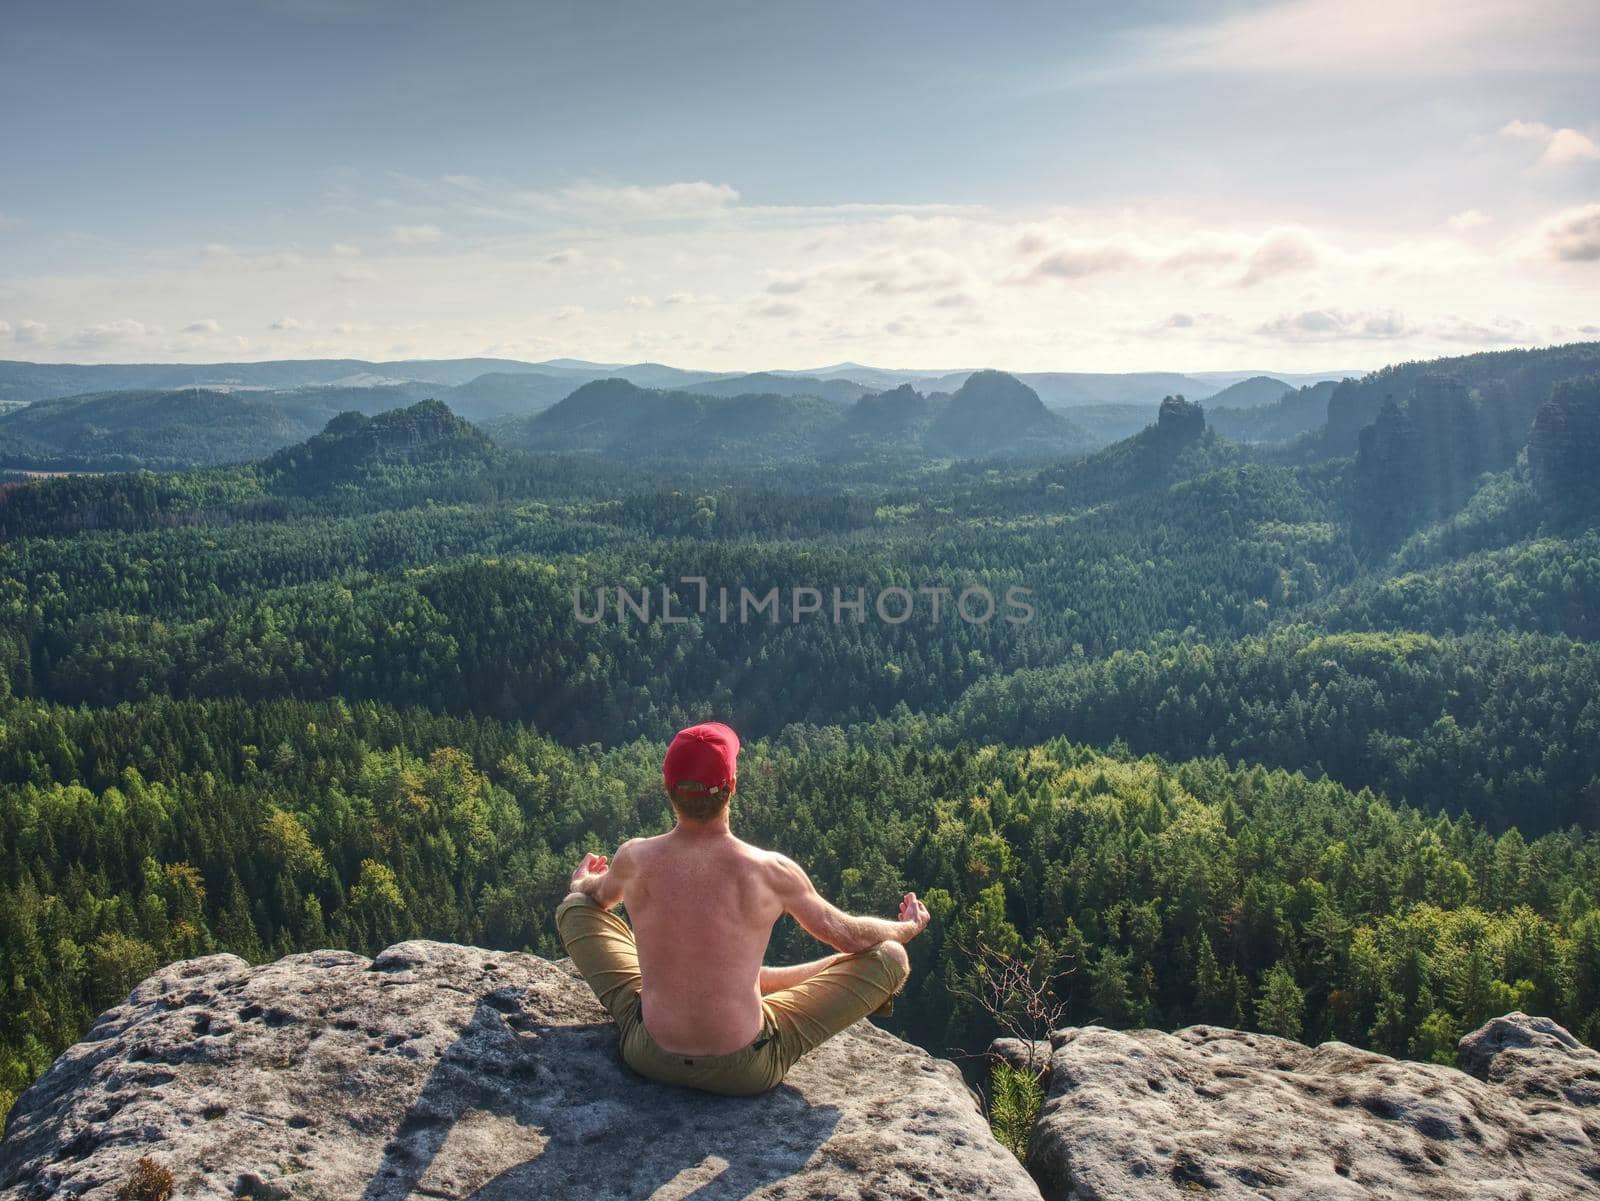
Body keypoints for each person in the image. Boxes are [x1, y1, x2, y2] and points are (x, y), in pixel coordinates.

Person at [555, 721, 931, 1096]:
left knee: (574, 908)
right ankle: (753, 986)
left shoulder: (634, 856)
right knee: (890, 957)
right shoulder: (769, 871)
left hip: (648, 1054)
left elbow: (597, 896)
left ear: (668, 789)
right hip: (744, 1070)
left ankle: (747, 982)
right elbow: (849, 936)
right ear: (732, 786)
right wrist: (906, 929)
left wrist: (579, 883)